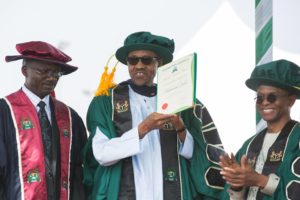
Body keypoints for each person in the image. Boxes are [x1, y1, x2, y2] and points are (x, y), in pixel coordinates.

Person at [83, 31, 225, 200]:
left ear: (160, 63)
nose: (139, 65)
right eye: (133, 60)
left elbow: (200, 156)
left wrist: (181, 130)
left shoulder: (181, 100)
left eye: (147, 60)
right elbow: (101, 154)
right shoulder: (107, 102)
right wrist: (143, 129)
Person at [0, 41, 87, 200]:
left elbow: (78, 172)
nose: (51, 78)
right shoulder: (4, 112)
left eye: (56, 74)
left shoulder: (70, 117)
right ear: (25, 70)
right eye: (44, 71)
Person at [219, 59, 300, 199]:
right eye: (259, 98)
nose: (265, 102)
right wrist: (237, 184)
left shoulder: (297, 140)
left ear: (291, 100)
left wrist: (258, 180)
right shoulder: (249, 145)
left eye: (272, 97)